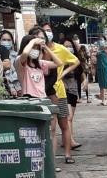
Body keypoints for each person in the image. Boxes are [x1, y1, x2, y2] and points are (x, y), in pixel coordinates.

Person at [46, 24, 81, 161]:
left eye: (49, 30)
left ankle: (68, 154)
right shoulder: (38, 50)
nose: (47, 33)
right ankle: (52, 159)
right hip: (44, 92)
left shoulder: (60, 49)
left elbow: (76, 61)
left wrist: (63, 73)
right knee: (52, 128)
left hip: (59, 92)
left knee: (64, 124)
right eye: (45, 31)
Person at [15, 31, 56, 103]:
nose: (35, 50)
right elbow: (25, 53)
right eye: (33, 47)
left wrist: (46, 47)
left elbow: (58, 63)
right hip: (29, 98)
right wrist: (33, 41)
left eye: (37, 48)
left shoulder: (39, 63)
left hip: (42, 97)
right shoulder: (20, 61)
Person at [63, 37, 84, 133]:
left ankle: (68, 138)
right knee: (69, 117)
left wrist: (85, 81)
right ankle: (70, 139)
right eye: (66, 46)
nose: (68, 48)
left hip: (74, 90)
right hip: (63, 90)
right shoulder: (59, 59)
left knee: (70, 118)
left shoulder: (75, 59)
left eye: (70, 46)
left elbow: (81, 72)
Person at [0, 29, 22, 97]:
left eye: (9, 40)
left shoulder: (17, 56)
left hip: (18, 90)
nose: (6, 42)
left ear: (12, 42)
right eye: (4, 40)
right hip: (1, 89)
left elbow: (18, 74)